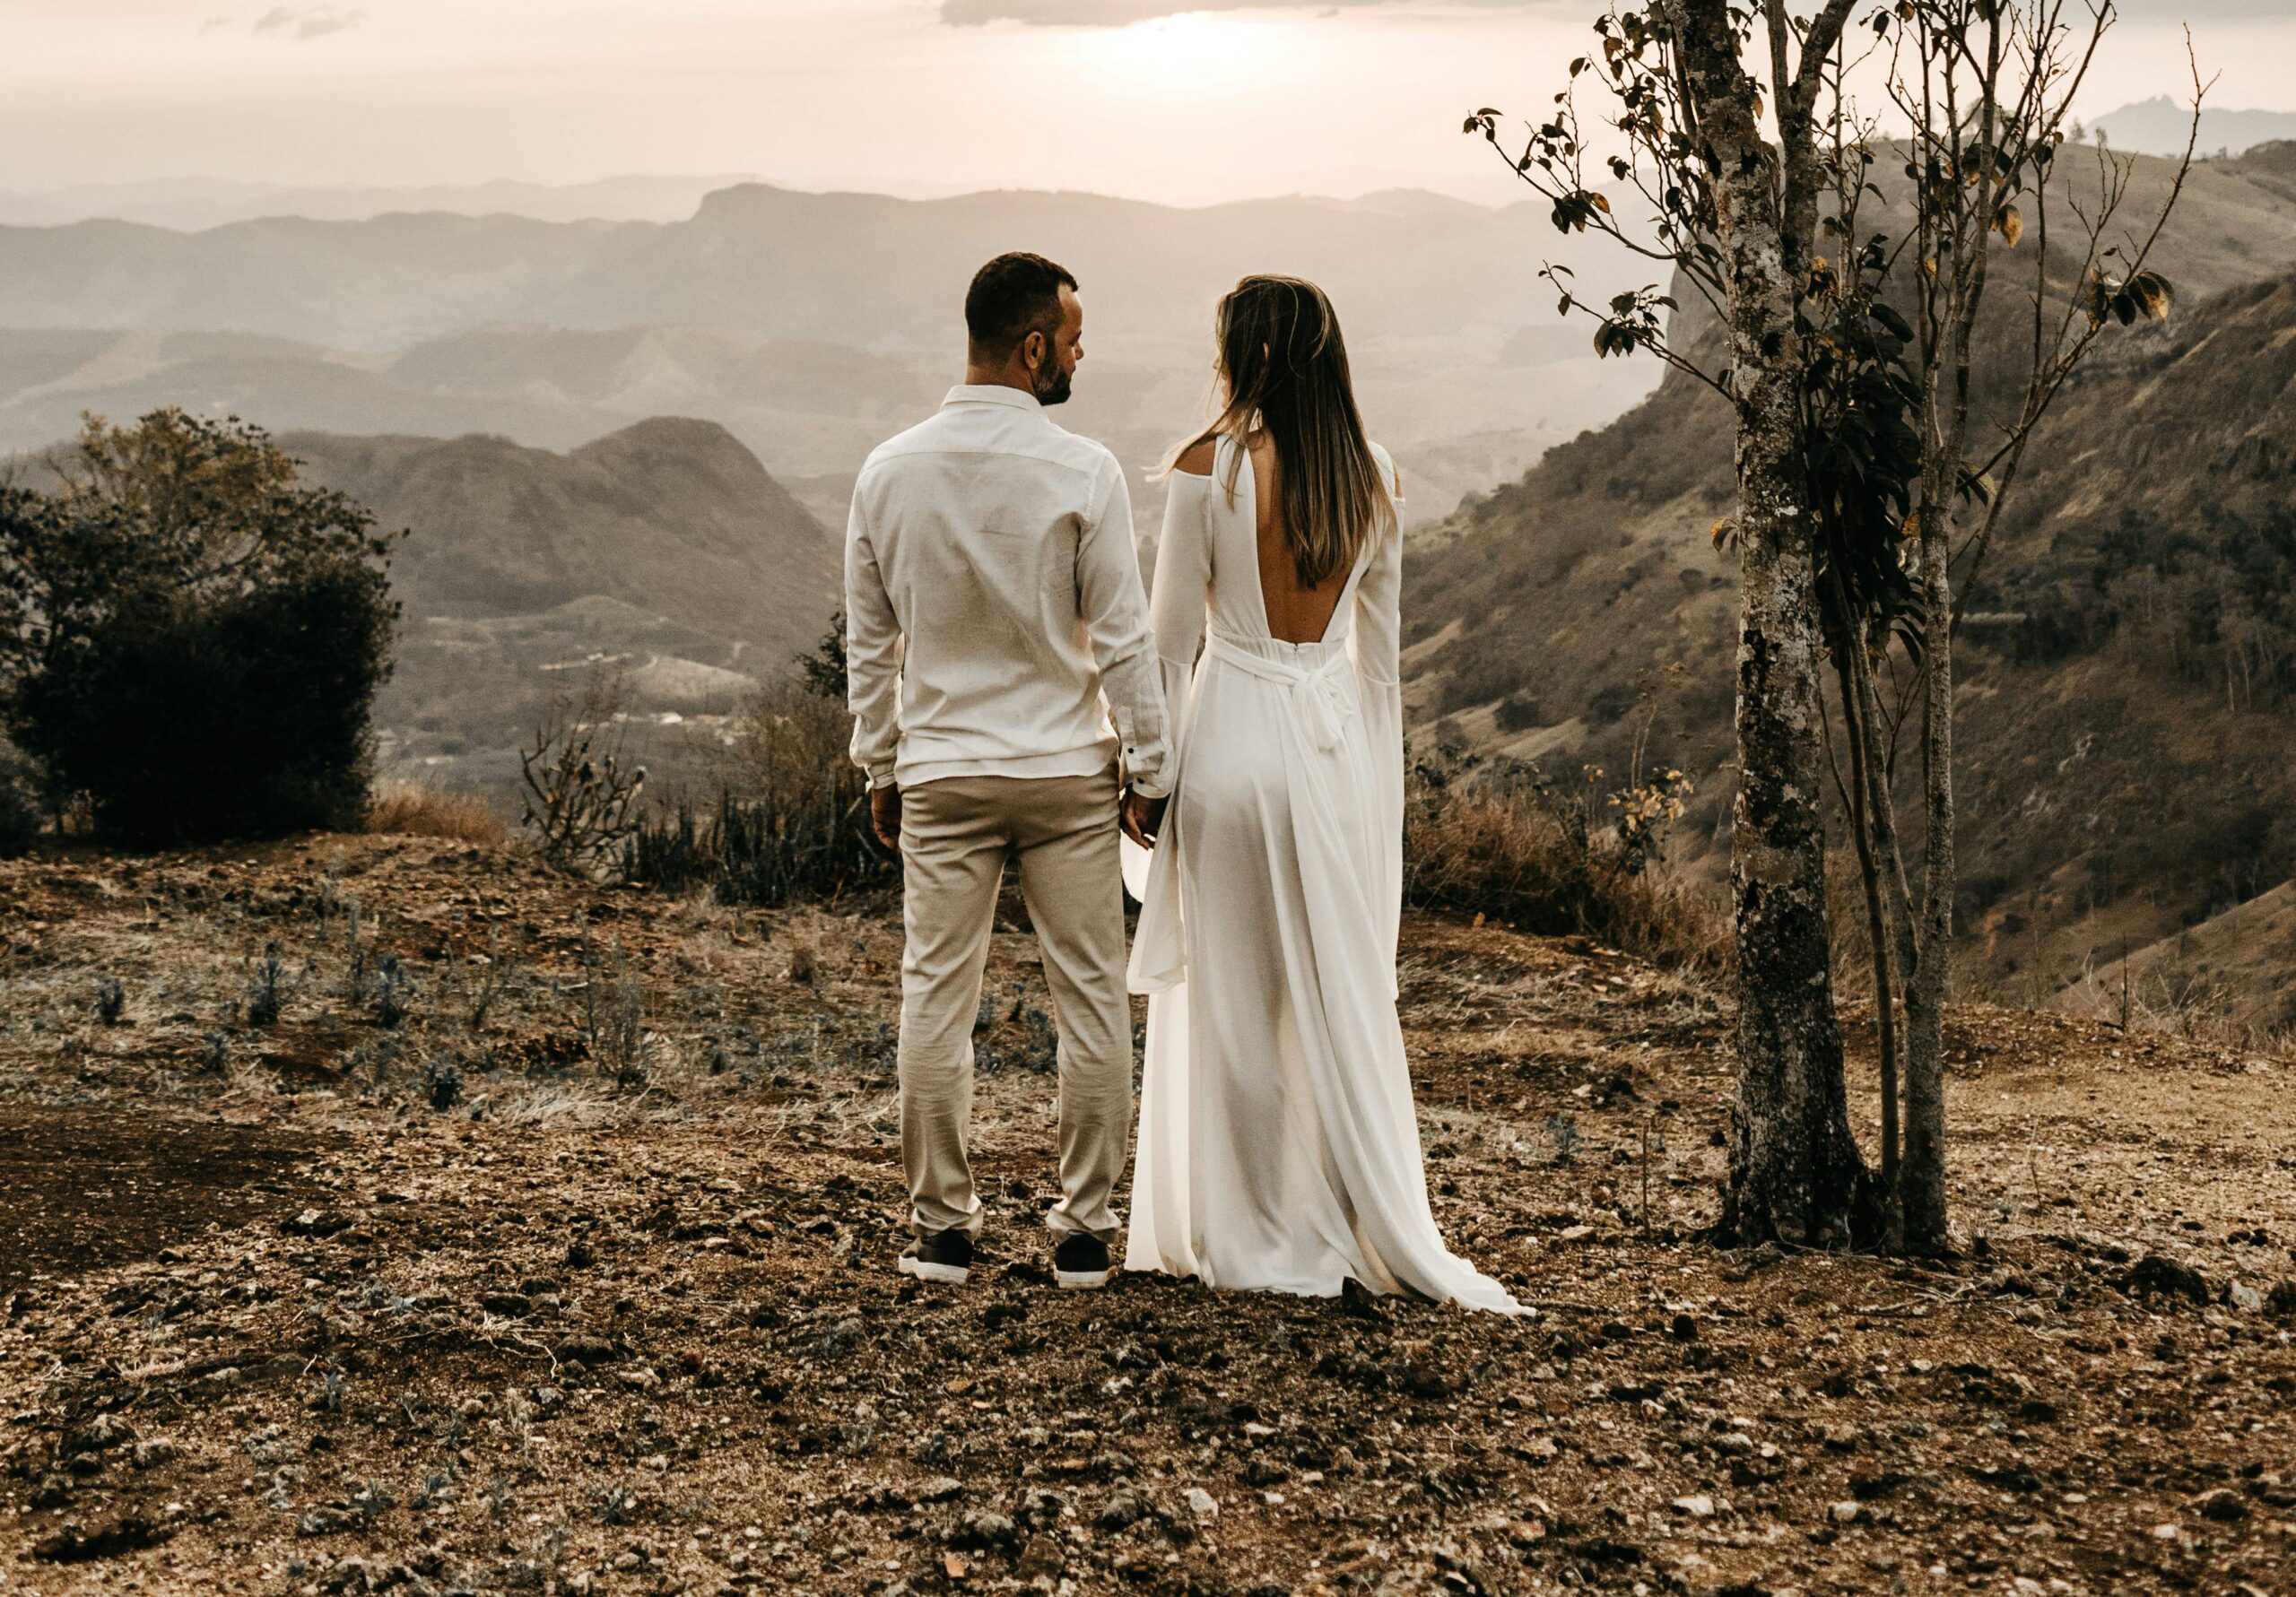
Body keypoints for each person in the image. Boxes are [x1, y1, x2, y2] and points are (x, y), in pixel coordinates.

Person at [1122, 274, 1521, 1313]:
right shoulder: (1376, 475)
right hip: (1334, 752)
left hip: (1229, 751)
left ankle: (1249, 1232)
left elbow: (1167, 649)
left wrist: (1146, 775)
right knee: (1335, 1009)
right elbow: (1381, 667)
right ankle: (1348, 1217)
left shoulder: (1206, 470)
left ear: (1243, 354)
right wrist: (1373, 798)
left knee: (1237, 1009)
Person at [844, 251, 1170, 1290]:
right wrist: (1150, 764)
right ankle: (1081, 1230)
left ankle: (941, 1228)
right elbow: (1122, 637)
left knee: (934, 996)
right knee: (1089, 998)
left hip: (942, 771)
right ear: (1033, 347)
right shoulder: (1086, 471)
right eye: (1073, 339)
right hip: (1067, 773)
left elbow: (868, 644)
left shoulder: (887, 470)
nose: (1081, 354)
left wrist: (879, 764)